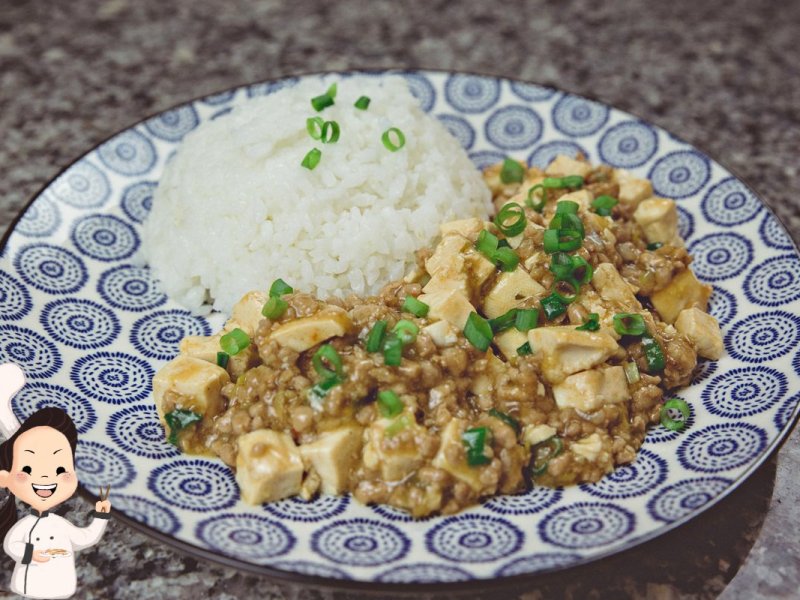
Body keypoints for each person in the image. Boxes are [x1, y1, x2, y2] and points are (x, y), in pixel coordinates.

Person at [0, 407, 111, 599]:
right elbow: (12, 544)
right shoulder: (25, 525)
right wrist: (30, 554)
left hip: (62, 585)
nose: (44, 476)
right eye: (27, 469)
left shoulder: (59, 524)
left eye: (60, 469)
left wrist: (101, 516)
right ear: (5, 478)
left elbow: (85, 537)